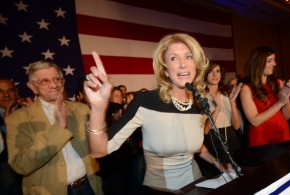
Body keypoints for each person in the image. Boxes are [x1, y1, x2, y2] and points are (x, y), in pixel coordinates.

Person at [84, 33, 233, 190]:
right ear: (165, 70)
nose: (183, 64)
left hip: (196, 185)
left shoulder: (199, 104)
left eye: (188, 57)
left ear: (195, 65)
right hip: (161, 190)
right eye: (174, 58)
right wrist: (98, 109)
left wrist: (219, 164)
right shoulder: (145, 102)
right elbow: (99, 151)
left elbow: (197, 146)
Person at [5, 60, 103, 195]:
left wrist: (100, 109)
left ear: (63, 82)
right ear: (32, 87)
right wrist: (58, 129)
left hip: (90, 186)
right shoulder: (17, 119)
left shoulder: (82, 109)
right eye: (45, 81)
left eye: (57, 79)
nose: (54, 85)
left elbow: (100, 147)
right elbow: (21, 165)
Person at [239, 46, 290, 147]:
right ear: (258, 63)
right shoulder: (246, 89)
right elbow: (254, 121)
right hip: (263, 142)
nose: (274, 63)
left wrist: (287, 97)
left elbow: (287, 116)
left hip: (283, 136)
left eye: (274, 60)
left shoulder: (277, 83)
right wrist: (280, 103)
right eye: (270, 61)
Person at [198, 62, 242, 178]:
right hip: (212, 141)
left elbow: (237, 126)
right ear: (205, 74)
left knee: (237, 176)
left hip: (231, 139)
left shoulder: (227, 97)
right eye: (211, 71)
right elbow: (205, 130)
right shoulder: (201, 98)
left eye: (217, 71)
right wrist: (217, 109)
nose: (215, 74)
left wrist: (232, 103)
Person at [0, 76, 29, 195]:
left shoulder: (29, 112)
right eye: (0, 92)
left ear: (16, 93)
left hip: (35, 181)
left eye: (10, 90)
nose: (6, 95)